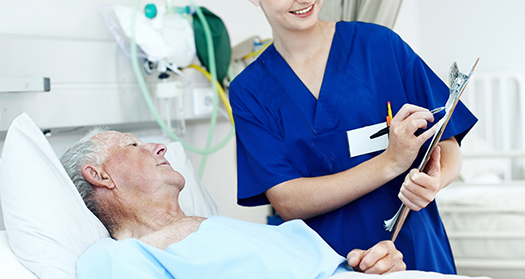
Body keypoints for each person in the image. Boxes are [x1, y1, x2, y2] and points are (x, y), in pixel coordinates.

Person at [230, 0, 478, 274]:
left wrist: (434, 182)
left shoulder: (379, 46)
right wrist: (390, 163)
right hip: (323, 263)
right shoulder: (249, 91)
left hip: (410, 250)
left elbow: (447, 140)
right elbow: (288, 200)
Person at [59, 129, 406, 278]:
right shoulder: (117, 258)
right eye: (132, 145)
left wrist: (364, 265)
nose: (159, 148)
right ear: (99, 175)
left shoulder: (217, 227)